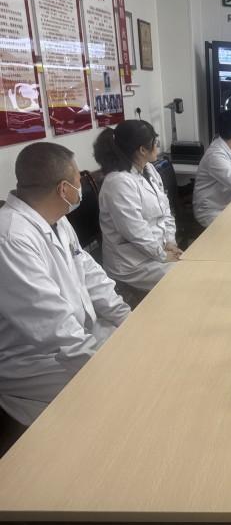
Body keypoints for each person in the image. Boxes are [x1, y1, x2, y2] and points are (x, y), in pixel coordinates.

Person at [0, 142, 131, 427]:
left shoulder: (56, 220)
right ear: (63, 189)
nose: (80, 188)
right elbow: (51, 325)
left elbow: (90, 273)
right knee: (125, 391)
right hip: (35, 360)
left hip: (79, 336)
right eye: (78, 181)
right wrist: (102, 366)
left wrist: (126, 318)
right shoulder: (11, 238)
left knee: (139, 354)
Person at [94, 120, 180, 291]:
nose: (157, 146)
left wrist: (170, 241)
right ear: (142, 150)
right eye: (155, 142)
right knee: (185, 277)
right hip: (132, 264)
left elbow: (165, 210)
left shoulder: (149, 169)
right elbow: (136, 232)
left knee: (191, 267)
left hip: (157, 250)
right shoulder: (118, 183)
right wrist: (162, 255)